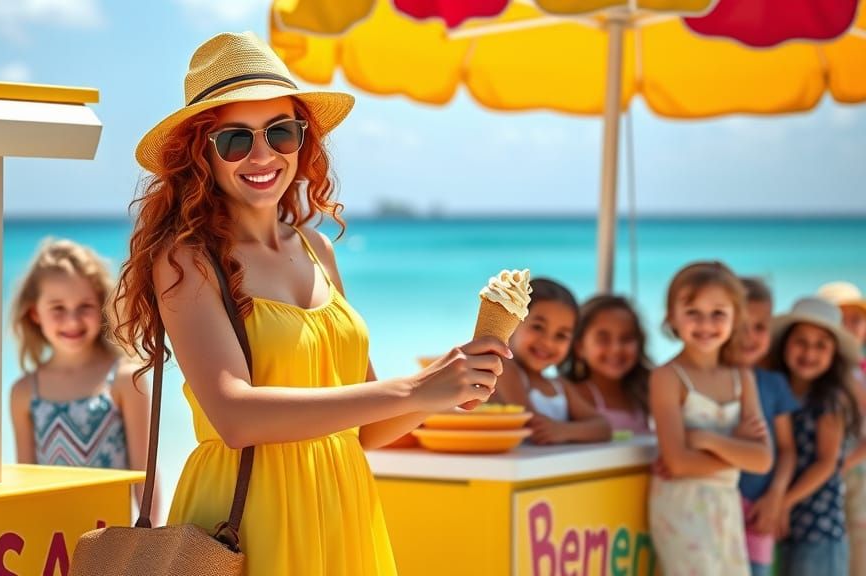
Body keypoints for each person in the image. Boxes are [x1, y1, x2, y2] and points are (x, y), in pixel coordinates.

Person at [110, 32, 507, 575]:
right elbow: (234, 416)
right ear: (201, 154)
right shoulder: (187, 259)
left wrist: (448, 383)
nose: (262, 155)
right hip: (247, 522)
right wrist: (416, 388)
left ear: (303, 140)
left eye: (281, 132)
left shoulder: (318, 249)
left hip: (344, 513)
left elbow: (368, 428)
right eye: (235, 140)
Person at [9, 238, 159, 521]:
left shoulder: (125, 380)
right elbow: (25, 490)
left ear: (102, 306)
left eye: (85, 306)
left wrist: (149, 536)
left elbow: (145, 475)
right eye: (58, 308)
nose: (72, 321)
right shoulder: (24, 392)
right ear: (35, 313)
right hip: (49, 539)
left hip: (112, 537)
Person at [648, 261, 772, 576]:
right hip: (682, 507)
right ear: (672, 316)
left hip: (727, 506)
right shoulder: (667, 377)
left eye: (718, 313)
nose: (706, 324)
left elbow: (763, 460)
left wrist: (708, 440)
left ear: (736, 317)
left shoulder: (742, 378)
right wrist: (739, 448)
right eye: (693, 312)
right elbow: (678, 464)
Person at [769, 297, 865, 576]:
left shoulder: (829, 399)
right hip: (787, 523)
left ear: (834, 354)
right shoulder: (779, 391)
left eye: (821, 345)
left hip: (818, 526)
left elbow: (827, 463)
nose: (809, 352)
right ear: (785, 344)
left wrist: (782, 503)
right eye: (801, 342)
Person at [491, 278, 611, 444]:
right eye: (538, 327)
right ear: (511, 323)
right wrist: (566, 430)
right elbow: (531, 424)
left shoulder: (560, 387)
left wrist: (563, 431)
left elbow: (603, 427)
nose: (548, 342)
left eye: (561, 335)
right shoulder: (502, 369)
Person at [736, 277, 800, 576]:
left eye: (759, 327)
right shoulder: (710, 380)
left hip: (759, 508)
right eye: (741, 326)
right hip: (714, 505)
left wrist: (776, 497)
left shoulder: (774, 384)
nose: (749, 336)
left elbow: (786, 450)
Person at [818, 281, 866, 575]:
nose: (849, 327)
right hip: (830, 473)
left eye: (856, 319)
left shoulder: (858, 374)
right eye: (840, 319)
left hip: (855, 472)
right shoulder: (823, 373)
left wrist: (844, 463)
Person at [562, 294, 652, 435]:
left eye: (626, 338)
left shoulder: (646, 393)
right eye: (603, 339)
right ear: (580, 347)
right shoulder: (573, 396)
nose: (616, 349)